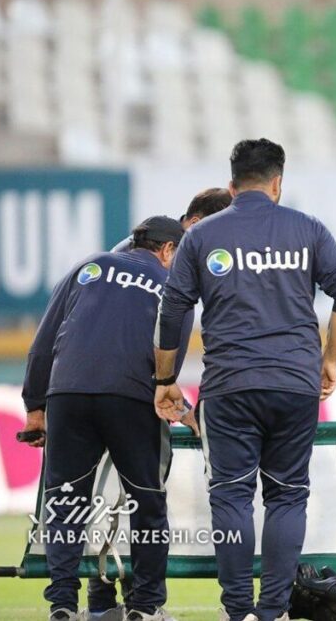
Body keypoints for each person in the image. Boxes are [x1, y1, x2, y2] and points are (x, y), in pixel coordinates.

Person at [153, 138, 336, 621]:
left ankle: (237, 611)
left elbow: (173, 309)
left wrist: (165, 378)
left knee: (230, 495)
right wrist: (330, 360)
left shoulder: (202, 236)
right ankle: (273, 612)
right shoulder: (307, 228)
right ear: (277, 183)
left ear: (231, 185)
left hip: (229, 385)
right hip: (295, 383)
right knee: (287, 496)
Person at [18, 216, 190, 621]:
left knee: (64, 502)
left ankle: (62, 604)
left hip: (68, 393)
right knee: (146, 503)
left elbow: (44, 341)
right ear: (168, 250)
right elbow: (171, 349)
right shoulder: (173, 285)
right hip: (132, 395)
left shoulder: (89, 265)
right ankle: (144, 607)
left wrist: (34, 407)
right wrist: (168, 391)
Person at [89, 187, 232, 621]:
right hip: (129, 393)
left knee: (112, 498)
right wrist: (177, 400)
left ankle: (112, 602)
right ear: (196, 223)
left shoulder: (144, 253)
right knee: (130, 497)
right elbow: (143, 339)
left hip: (111, 388)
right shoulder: (160, 261)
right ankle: (130, 603)